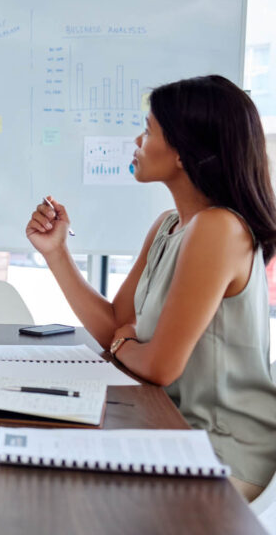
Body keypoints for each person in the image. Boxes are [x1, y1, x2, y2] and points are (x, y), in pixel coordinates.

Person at [25, 75, 276, 500]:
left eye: (149, 129)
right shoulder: (168, 226)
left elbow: (160, 366)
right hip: (168, 430)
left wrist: (127, 346)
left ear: (182, 152)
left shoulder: (218, 229)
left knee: (61, 492)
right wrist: (56, 254)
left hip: (221, 453)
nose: (137, 141)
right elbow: (115, 326)